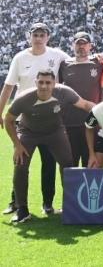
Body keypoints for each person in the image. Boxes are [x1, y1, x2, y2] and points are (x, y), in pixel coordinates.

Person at [4, 70, 93, 224]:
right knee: (20, 165)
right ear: (36, 82)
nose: (44, 86)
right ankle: (22, 210)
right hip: (28, 132)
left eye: (48, 82)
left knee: (68, 166)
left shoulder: (64, 93)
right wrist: (17, 145)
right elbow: (8, 120)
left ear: (54, 83)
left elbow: (85, 104)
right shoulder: (24, 98)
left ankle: (71, 205)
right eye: (41, 82)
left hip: (55, 132)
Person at [0, 22, 70, 216]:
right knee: (20, 162)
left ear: (48, 37)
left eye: (42, 34)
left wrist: (99, 58)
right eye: (35, 34)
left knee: (49, 163)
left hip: (50, 120)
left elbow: (77, 62)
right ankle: (16, 203)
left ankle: (47, 203)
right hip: (25, 120)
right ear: (29, 36)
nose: (38, 38)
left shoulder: (58, 55)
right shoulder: (20, 57)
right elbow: (9, 86)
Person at [58, 31, 103, 168]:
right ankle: (68, 190)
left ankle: (87, 190)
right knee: (69, 163)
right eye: (78, 44)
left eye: (84, 44)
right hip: (70, 122)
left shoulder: (99, 63)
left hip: (92, 122)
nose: (81, 47)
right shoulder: (64, 65)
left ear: (90, 46)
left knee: (90, 163)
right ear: (73, 45)